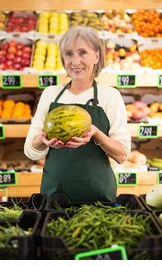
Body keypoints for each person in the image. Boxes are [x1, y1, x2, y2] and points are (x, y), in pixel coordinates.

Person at [24, 26, 131, 203]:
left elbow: (122, 155)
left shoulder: (110, 96)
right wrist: (42, 140)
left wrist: (97, 134)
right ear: (62, 58)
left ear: (96, 56)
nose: (75, 62)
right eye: (69, 54)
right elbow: (30, 151)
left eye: (82, 53)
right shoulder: (50, 94)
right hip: (54, 193)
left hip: (97, 196)